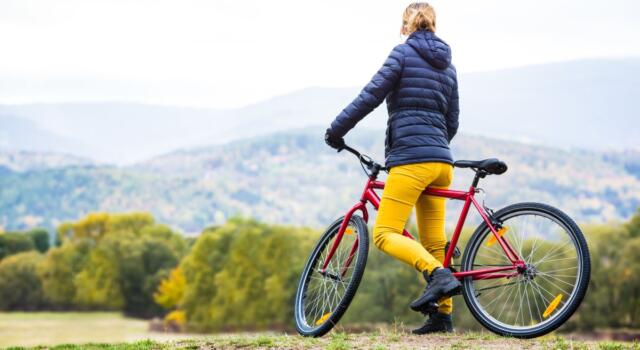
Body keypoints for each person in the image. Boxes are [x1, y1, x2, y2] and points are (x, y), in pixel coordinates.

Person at [325, 2, 461, 334]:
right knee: (433, 242)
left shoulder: (401, 55)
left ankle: (437, 275)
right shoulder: (448, 66)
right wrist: (433, 146)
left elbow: (369, 96)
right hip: (442, 161)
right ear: (434, 25)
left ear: (405, 27)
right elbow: (452, 121)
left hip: (412, 160)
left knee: (385, 234)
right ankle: (442, 316)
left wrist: (336, 130)